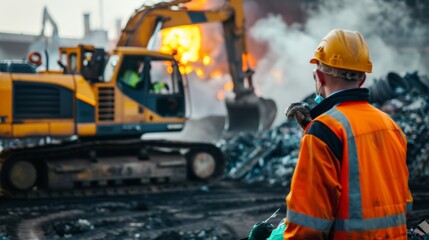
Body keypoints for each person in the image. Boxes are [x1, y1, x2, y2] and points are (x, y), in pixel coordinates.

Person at [280, 29, 413, 239]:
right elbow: (402, 203)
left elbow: (307, 228)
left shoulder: (325, 131)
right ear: (361, 80)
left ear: (320, 77)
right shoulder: (390, 126)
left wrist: (316, 132)